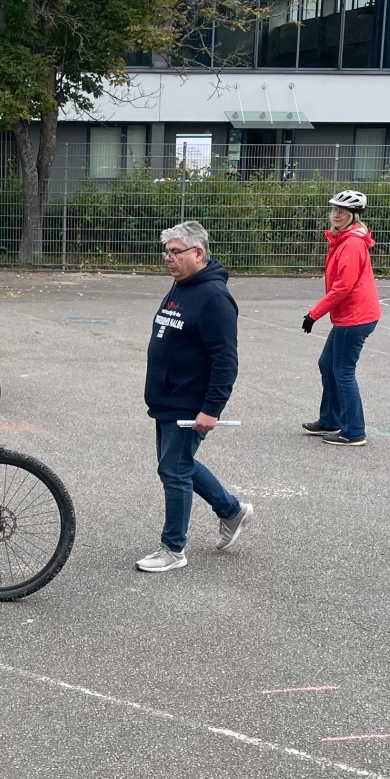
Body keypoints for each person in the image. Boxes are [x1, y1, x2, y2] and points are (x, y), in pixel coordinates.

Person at [138, 220, 253, 573]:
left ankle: (173, 548)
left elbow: (225, 360)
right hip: (166, 398)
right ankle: (231, 510)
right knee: (179, 465)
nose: (168, 258)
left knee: (174, 470)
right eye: (166, 252)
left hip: (189, 402)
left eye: (176, 252)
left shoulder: (214, 297)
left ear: (198, 253)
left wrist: (211, 409)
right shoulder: (181, 285)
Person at [301, 190, 381, 448]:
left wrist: (314, 314)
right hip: (351, 315)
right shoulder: (343, 239)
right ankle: (330, 420)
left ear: (353, 216)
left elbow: (343, 287)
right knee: (327, 364)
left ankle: (354, 431)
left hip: (355, 317)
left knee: (343, 371)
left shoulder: (352, 244)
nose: (336, 215)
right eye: (335, 210)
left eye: (343, 212)